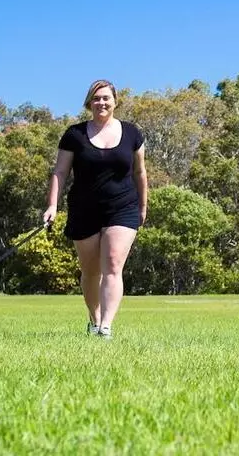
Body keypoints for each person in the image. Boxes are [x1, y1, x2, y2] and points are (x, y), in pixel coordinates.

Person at [43, 79, 148, 339]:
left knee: (113, 264)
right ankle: (94, 319)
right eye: (96, 98)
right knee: (91, 272)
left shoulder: (133, 133)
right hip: (84, 209)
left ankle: (106, 327)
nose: (101, 102)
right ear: (89, 102)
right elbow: (60, 171)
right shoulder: (74, 134)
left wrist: (143, 206)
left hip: (123, 207)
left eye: (106, 98)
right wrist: (52, 205)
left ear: (115, 101)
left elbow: (140, 172)